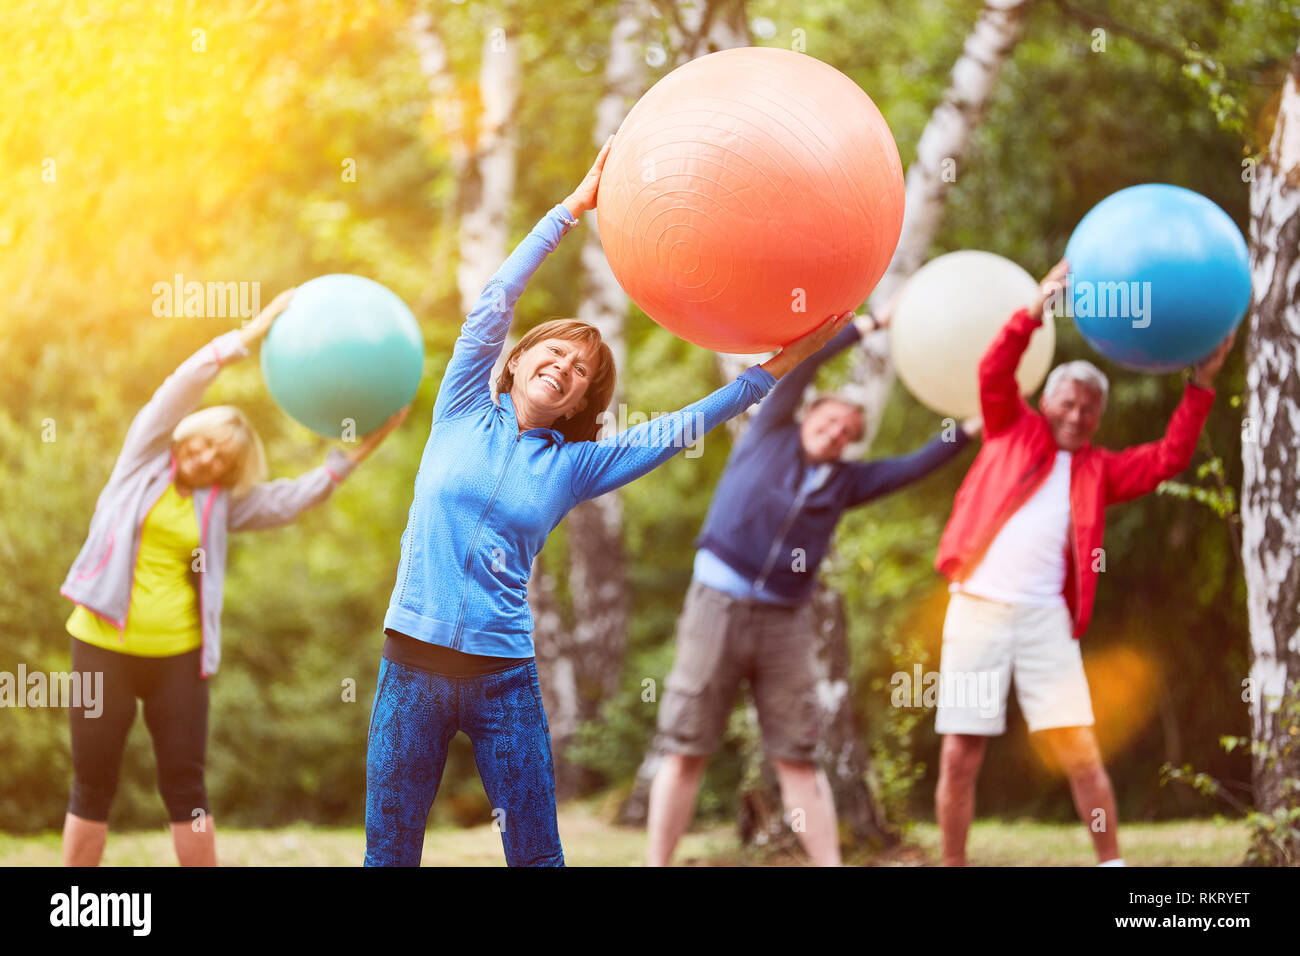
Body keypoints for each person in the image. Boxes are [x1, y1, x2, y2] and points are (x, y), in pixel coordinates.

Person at [364, 137, 852, 867]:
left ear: (579, 405)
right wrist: (570, 210)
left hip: (503, 678)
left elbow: (677, 430)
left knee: (537, 857)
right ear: (520, 358)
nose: (563, 369)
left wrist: (778, 366)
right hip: (412, 662)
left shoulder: (577, 466)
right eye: (554, 354)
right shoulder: (461, 405)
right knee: (390, 854)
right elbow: (495, 299)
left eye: (582, 374)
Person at [59, 289, 406, 867]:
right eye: (204, 446)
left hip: (180, 659)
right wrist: (254, 330)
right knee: (93, 782)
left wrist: (360, 450)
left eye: (223, 460)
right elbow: (182, 382)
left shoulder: (220, 506)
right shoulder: (141, 459)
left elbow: (293, 499)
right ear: (188, 435)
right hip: (101, 648)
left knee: (186, 789)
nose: (207, 461)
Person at [645, 290, 981, 867]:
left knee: (797, 755)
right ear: (810, 415)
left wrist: (972, 426)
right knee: (686, 746)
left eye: (849, 432)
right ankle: (655, 863)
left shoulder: (846, 483)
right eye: (830, 421)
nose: (837, 434)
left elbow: (918, 463)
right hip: (716, 605)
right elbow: (804, 361)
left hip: (785, 621)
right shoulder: (771, 426)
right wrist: (873, 323)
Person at [932, 259, 1235, 866]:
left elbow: (1171, 457)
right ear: (1048, 400)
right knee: (962, 752)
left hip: (1046, 620)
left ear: (1100, 417)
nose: (1077, 415)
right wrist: (1037, 307)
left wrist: (1202, 382)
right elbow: (994, 370)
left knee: (1080, 748)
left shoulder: (1100, 470)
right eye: (1069, 402)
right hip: (978, 611)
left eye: (1089, 409)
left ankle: (1111, 864)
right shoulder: (1010, 428)